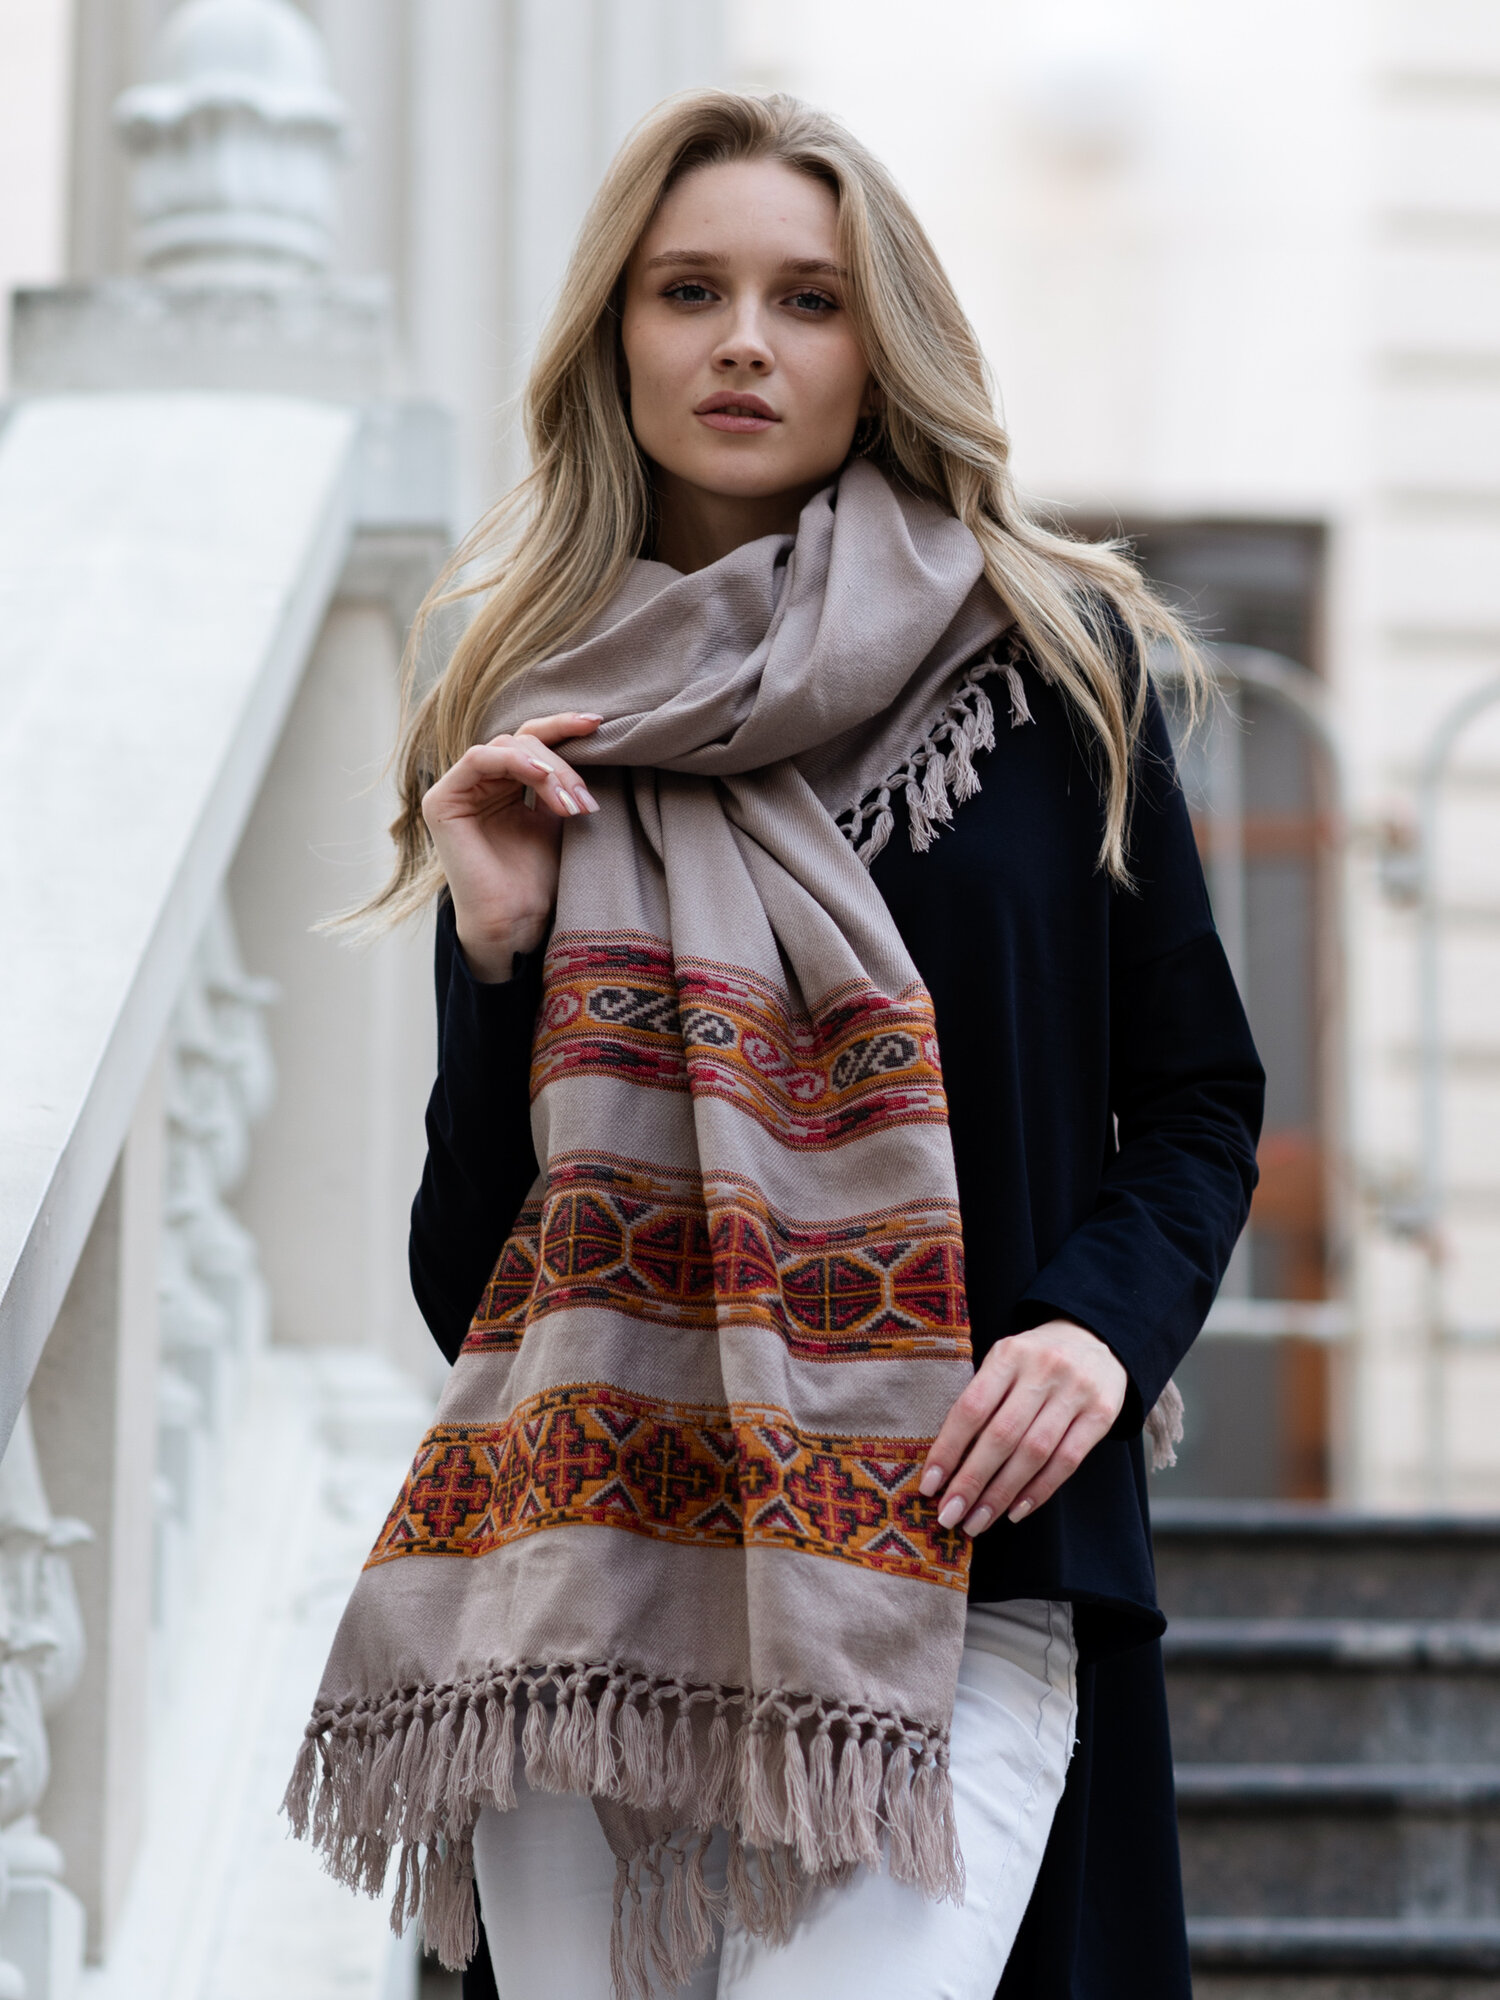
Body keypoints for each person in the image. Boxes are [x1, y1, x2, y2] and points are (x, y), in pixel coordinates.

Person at [286, 91, 1263, 2000]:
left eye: (808, 299)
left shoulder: (1054, 665)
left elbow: (1197, 1097)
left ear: (880, 346)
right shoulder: (539, 715)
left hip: (961, 1551)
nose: (745, 340)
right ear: (616, 338)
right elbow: (471, 1281)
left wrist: (1096, 1328)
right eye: (690, 291)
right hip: (592, 1589)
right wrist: (496, 953)